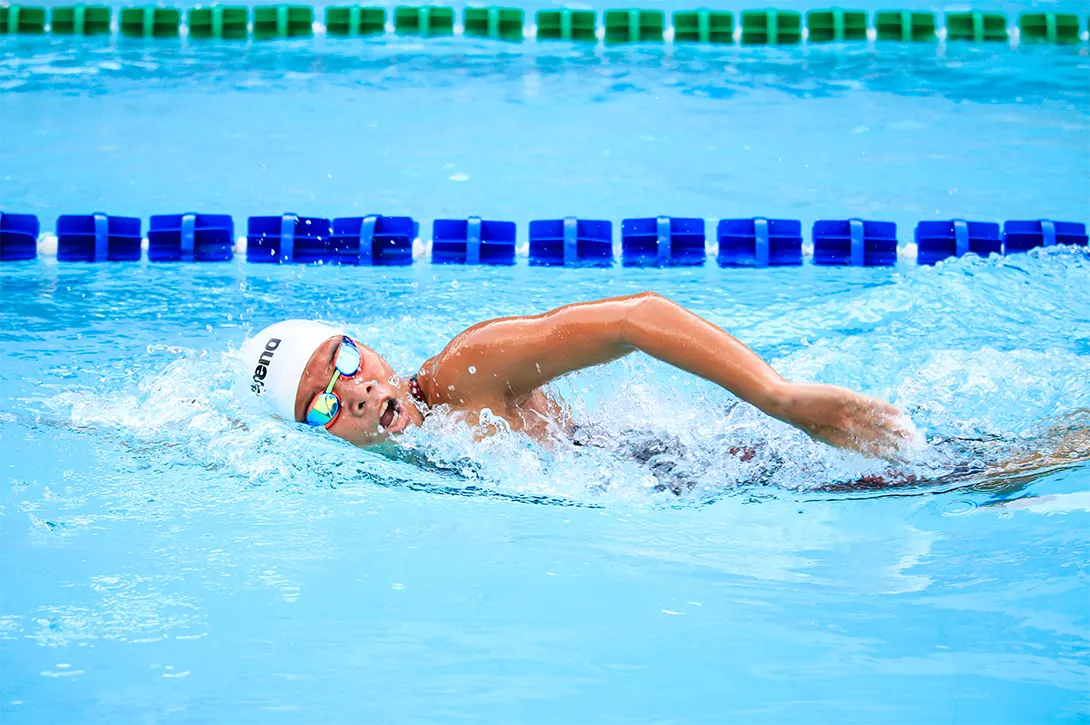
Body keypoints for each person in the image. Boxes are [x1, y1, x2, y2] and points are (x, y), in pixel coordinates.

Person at [239, 292, 916, 462]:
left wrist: (780, 399)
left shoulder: (466, 371)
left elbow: (635, 318)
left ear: (369, 350)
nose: (355, 392)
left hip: (696, 466)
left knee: (933, 468)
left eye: (346, 362)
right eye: (322, 403)